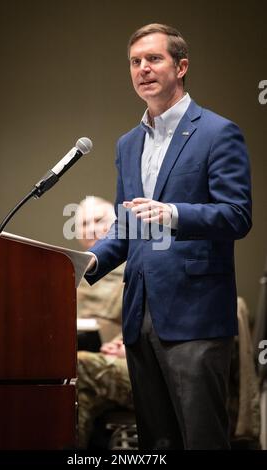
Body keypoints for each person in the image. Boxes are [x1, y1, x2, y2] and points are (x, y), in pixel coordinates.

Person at [85, 23, 252, 449]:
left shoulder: (217, 132)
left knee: (201, 439)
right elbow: (127, 223)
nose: (142, 68)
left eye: (153, 59)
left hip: (195, 315)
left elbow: (236, 215)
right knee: (158, 444)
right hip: (140, 316)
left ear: (181, 67)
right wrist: (90, 261)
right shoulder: (127, 144)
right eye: (135, 62)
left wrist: (173, 213)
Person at [76, 196, 124, 345]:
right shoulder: (69, 271)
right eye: (84, 224)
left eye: (98, 221)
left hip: (116, 349)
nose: (91, 230)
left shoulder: (134, 269)